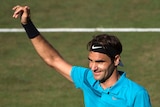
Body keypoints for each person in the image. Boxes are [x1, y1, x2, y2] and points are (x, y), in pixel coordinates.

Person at [12, 5, 151, 107]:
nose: (93, 67)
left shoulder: (136, 94)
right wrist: (27, 24)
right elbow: (52, 59)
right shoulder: (87, 78)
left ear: (116, 60)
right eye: (90, 61)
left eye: (100, 62)